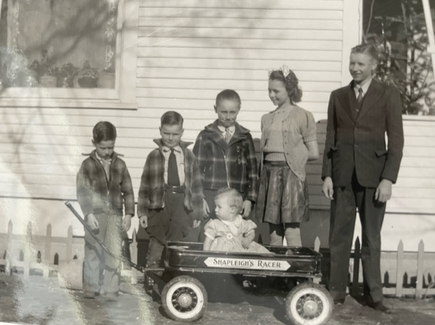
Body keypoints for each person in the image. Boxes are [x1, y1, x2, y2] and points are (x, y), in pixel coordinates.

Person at [322, 44, 404, 313]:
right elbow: (330, 139)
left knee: (372, 238)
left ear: (373, 66)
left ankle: (374, 295)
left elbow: (396, 141)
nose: (355, 68)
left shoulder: (388, 94)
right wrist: (327, 175)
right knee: (339, 237)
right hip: (343, 177)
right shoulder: (338, 96)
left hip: (374, 178)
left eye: (360, 64)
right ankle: (336, 291)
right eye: (352, 63)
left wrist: (388, 179)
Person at [256, 65, 319, 247]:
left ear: (290, 90)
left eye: (276, 91)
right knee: (274, 230)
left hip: (291, 176)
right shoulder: (266, 118)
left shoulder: (303, 116)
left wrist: (292, 158)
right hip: (269, 175)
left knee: (291, 230)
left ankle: (294, 270)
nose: (271, 95)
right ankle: (275, 271)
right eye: (269, 90)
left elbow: (313, 152)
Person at [138, 111, 205, 270]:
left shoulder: (189, 156)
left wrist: (197, 212)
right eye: (166, 133)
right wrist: (142, 211)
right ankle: (153, 273)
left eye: (175, 134)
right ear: (160, 130)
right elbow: (144, 185)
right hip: (160, 201)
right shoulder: (153, 156)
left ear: (182, 132)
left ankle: (173, 274)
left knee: (177, 238)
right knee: (158, 237)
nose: (170, 138)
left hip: (181, 200)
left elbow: (196, 186)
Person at [77, 121, 135, 300]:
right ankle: (91, 288)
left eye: (111, 147)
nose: (108, 151)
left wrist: (128, 214)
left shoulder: (120, 165)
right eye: (103, 148)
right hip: (96, 215)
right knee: (93, 251)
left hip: (115, 216)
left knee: (113, 252)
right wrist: (88, 213)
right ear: (94, 143)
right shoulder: (87, 165)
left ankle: (111, 289)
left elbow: (128, 191)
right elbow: (82, 191)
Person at [193, 89, 258, 240]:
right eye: (223, 112)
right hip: (211, 195)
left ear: (239, 109)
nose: (228, 117)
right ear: (215, 109)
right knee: (210, 235)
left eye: (232, 112)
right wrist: (199, 198)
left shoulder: (244, 137)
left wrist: (249, 199)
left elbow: (253, 172)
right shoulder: (206, 136)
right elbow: (195, 171)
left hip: (237, 194)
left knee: (237, 235)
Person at [203, 188, 270, 254]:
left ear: (232, 209)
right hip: (221, 255)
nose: (215, 210)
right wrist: (206, 255)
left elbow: (251, 232)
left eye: (219, 207)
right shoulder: (215, 224)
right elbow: (208, 241)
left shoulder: (241, 222)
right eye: (215, 206)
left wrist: (248, 239)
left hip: (239, 253)